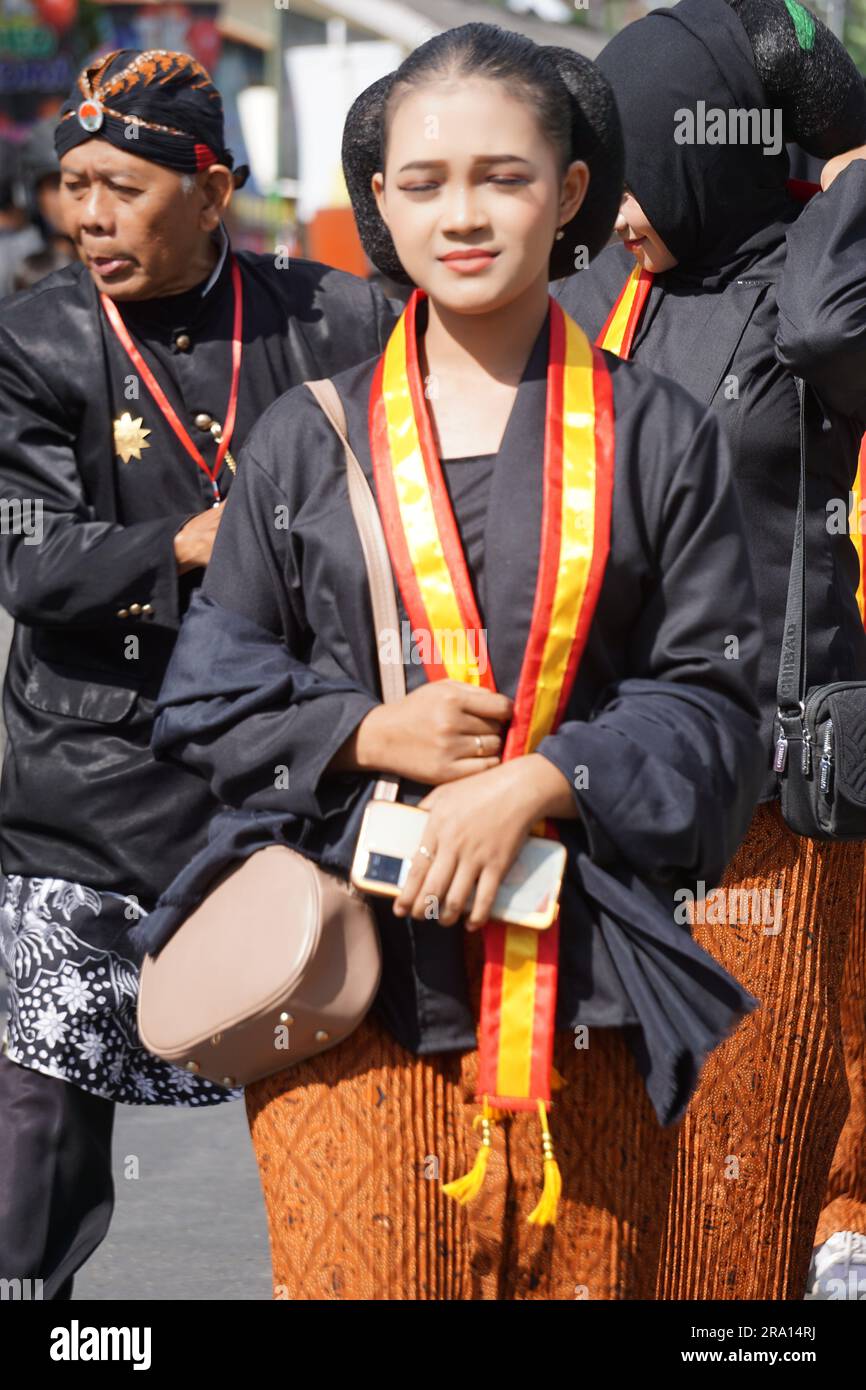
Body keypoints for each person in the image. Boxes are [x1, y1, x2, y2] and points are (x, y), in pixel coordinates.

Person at [141, 23, 766, 1301]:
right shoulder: (304, 444)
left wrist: (539, 780)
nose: (462, 213)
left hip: (583, 990)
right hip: (346, 998)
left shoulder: (659, 436)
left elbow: (715, 698)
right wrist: (367, 736)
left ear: (570, 192)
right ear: (377, 201)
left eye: (504, 176)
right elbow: (206, 689)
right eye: (422, 183)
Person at [0, 47, 396, 1301]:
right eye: (73, 186)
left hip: (280, 783)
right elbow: (29, 557)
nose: (90, 216)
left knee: (328, 1112)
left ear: (212, 188)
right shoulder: (34, 337)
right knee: (30, 1162)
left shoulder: (332, 316)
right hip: (82, 795)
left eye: (121, 185)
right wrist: (181, 542)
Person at [555, 0, 866, 1299]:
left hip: (772, 795)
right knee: (615, 1198)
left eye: (639, 169)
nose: (617, 204)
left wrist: (851, 151)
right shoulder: (609, 293)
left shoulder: (809, 274)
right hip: (614, 793)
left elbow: (826, 335)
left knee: (737, 1188)